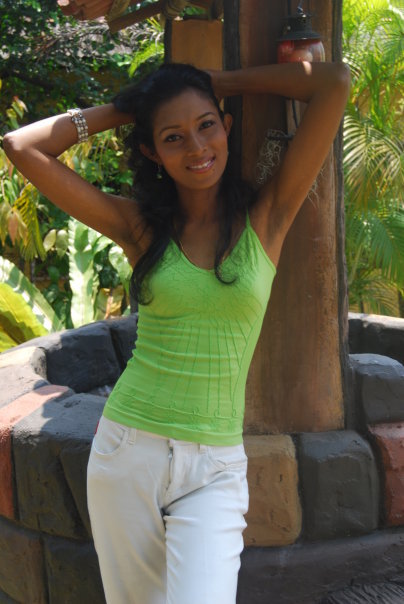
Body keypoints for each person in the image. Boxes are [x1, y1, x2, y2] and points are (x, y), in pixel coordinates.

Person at [3, 59, 350, 604]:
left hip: (214, 468)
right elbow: (21, 145)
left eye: (207, 125)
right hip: (127, 451)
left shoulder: (267, 218)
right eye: (173, 137)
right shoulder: (139, 227)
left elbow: (333, 83)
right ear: (152, 153)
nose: (196, 147)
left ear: (226, 126)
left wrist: (217, 83)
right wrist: (130, 107)